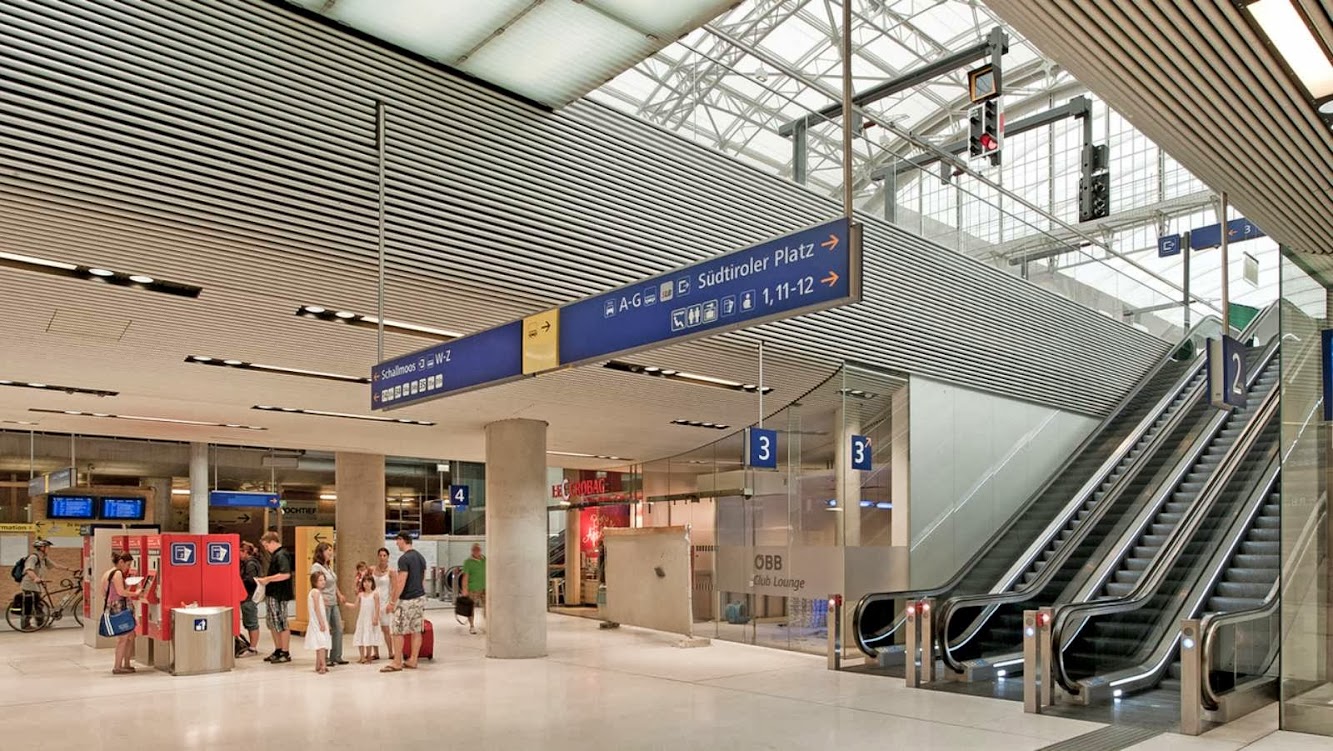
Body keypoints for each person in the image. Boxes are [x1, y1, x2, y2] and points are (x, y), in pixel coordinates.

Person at [381, 531, 426, 673]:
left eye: (397, 540)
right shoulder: (420, 557)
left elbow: (401, 582)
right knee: (416, 630)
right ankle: (413, 659)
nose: (396, 543)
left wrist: (392, 602)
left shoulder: (404, 559)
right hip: (419, 598)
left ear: (402, 540)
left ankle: (397, 662)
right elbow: (422, 579)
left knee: (397, 630)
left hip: (407, 599)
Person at [255, 532, 293, 664]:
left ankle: (285, 651)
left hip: (279, 594)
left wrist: (267, 579)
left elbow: (285, 574)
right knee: (273, 623)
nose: (266, 548)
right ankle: (278, 649)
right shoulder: (276, 555)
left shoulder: (281, 555)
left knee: (281, 623)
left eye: (266, 545)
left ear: (272, 542)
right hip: (273, 594)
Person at [101, 551, 142, 675]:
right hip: (120, 607)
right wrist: (135, 593)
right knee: (123, 638)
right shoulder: (117, 573)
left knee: (130, 636)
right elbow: (121, 592)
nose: (128, 568)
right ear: (121, 562)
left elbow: (104, 592)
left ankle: (127, 664)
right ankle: (117, 667)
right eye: (128, 564)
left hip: (113, 606)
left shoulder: (107, 573)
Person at [309, 542, 348, 666]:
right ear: (321, 552)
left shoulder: (328, 567)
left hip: (333, 601)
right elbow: (315, 583)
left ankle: (336, 656)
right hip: (324, 602)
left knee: (338, 628)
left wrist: (339, 595)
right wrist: (320, 598)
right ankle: (323, 658)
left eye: (331, 550)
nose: (330, 552)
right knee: (324, 630)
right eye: (328, 550)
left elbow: (333, 583)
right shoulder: (317, 567)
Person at [17, 538, 55, 630]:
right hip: (29, 585)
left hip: (36, 585)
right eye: (47, 547)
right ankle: (25, 625)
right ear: (42, 548)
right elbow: (28, 570)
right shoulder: (33, 557)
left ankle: (41, 624)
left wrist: (70, 569)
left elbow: (55, 565)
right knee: (29, 605)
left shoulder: (43, 558)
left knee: (38, 605)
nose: (49, 548)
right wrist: (36, 578)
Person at [352, 574, 385, 664]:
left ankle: (369, 656)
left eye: (369, 582)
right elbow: (354, 605)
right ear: (362, 583)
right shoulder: (360, 595)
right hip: (362, 619)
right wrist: (345, 603)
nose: (367, 584)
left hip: (370, 619)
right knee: (360, 635)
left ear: (372, 583)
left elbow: (377, 607)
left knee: (369, 636)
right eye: (365, 582)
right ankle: (362, 657)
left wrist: (376, 618)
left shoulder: (375, 594)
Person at [238, 542, 261, 656]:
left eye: (239, 552)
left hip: (249, 597)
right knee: (249, 622)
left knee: (251, 623)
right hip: (247, 597)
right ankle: (252, 646)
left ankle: (252, 648)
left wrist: (239, 581)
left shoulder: (250, 564)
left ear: (245, 552)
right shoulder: (248, 563)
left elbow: (251, 581)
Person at [305, 572, 331, 674]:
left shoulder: (316, 592)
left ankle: (318, 664)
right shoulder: (315, 592)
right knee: (321, 643)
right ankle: (323, 665)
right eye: (320, 580)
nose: (323, 582)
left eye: (324, 579)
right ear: (314, 582)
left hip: (317, 621)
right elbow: (317, 608)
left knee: (319, 643)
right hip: (317, 621)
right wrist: (321, 622)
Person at [371, 547, 394, 662]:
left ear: (388, 557)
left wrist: (392, 603)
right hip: (373, 602)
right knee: (374, 628)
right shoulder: (372, 569)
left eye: (384, 555)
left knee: (386, 628)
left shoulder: (391, 571)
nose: (382, 557)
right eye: (380, 555)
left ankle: (390, 651)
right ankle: (375, 652)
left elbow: (394, 588)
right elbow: (364, 580)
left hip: (385, 602)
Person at [460, 543, 486, 635]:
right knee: (470, 608)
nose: (476, 551)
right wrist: (464, 589)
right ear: (472, 551)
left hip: (485, 588)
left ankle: (487, 624)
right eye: (474, 550)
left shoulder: (485, 560)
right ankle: (472, 626)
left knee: (488, 607)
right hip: (473, 588)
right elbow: (465, 577)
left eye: (478, 549)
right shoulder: (468, 562)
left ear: (480, 550)